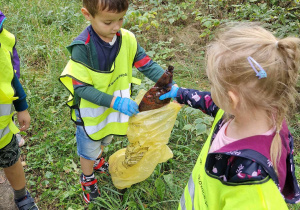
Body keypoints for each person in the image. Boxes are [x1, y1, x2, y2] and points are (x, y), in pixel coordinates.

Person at [159, 23, 300, 209]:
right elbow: (208, 101)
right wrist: (179, 93)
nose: (210, 90)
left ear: (231, 99)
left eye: (212, 84)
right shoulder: (244, 113)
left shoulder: (253, 188)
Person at [59, 0, 172, 203]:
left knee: (104, 139)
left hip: (111, 113)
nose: (117, 27)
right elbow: (81, 88)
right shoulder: (82, 48)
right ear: (87, 14)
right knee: (88, 149)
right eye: (108, 21)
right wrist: (116, 102)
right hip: (90, 114)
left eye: (121, 19)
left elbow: (145, 64)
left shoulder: (127, 39)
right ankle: (87, 177)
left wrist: (168, 84)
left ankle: (97, 161)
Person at [0, 10, 38, 210]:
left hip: (3, 128)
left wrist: (22, 106)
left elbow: (11, 76)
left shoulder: (1, 42)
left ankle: (21, 196)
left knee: (12, 161)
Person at [0, 11, 25, 147]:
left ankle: (13, 133)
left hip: (7, 77)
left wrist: (21, 105)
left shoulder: (5, 35)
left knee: (7, 106)